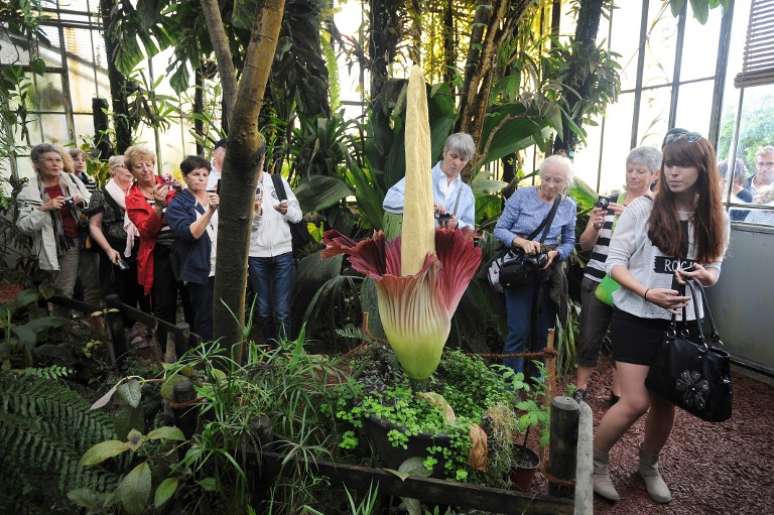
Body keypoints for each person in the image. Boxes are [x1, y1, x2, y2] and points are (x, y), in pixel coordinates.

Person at [592, 128, 729, 504]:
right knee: (635, 401)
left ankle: (648, 466)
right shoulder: (643, 208)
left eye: (683, 164)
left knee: (666, 401)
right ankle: (595, 463)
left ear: (702, 169)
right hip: (636, 316)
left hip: (683, 323)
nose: (673, 171)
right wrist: (648, 291)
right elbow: (614, 264)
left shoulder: (716, 216)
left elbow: (715, 266)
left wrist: (706, 275)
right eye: (669, 163)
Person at [575, 146, 661, 404]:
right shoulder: (610, 200)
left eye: (640, 171)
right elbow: (585, 245)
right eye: (630, 169)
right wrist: (594, 225)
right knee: (589, 336)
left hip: (631, 284)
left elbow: (656, 248)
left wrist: (632, 219)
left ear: (654, 175)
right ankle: (580, 388)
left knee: (624, 341)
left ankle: (618, 392)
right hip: (597, 277)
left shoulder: (656, 209)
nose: (633, 175)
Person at [493, 155, 577, 373]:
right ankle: (510, 384)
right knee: (518, 330)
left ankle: (538, 384)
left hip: (548, 272)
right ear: (540, 176)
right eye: (547, 178)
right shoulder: (522, 196)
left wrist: (556, 254)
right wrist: (521, 242)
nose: (550, 184)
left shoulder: (568, 206)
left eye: (557, 180)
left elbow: (569, 242)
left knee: (545, 331)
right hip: (519, 268)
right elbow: (500, 229)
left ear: (566, 182)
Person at [125, 146, 191, 353]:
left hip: (184, 249)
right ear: (132, 171)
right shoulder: (133, 198)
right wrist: (159, 207)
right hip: (159, 253)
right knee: (164, 306)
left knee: (191, 299)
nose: (145, 169)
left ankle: (197, 348)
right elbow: (146, 231)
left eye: (149, 164)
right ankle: (167, 353)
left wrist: (182, 193)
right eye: (139, 166)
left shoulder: (169, 184)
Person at [16, 144, 90, 314]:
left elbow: (90, 199)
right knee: (58, 291)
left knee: (67, 290)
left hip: (75, 242)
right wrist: (45, 208)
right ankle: (61, 329)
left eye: (58, 160)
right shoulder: (29, 190)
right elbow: (24, 225)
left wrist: (82, 201)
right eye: (49, 160)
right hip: (49, 246)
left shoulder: (71, 180)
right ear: (37, 164)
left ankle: (64, 328)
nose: (55, 164)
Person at [248, 145, 302, 342]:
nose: (257, 164)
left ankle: (285, 352)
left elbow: (298, 217)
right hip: (256, 255)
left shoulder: (278, 182)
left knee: (281, 311)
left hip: (283, 253)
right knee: (263, 310)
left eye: (259, 159)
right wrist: (257, 214)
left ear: (263, 160)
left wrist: (286, 210)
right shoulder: (243, 187)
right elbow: (245, 229)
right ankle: (270, 349)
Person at [166, 156, 220, 341]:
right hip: (199, 269)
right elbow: (192, 233)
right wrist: (210, 211)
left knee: (226, 313)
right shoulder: (177, 204)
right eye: (196, 174)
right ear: (185, 176)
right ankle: (209, 360)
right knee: (204, 316)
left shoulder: (216, 197)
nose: (201, 178)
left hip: (223, 266)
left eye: (205, 174)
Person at [87, 155, 148, 317]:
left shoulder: (138, 191)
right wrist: (108, 250)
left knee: (143, 288)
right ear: (113, 171)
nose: (129, 170)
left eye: (130, 166)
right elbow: (94, 225)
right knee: (121, 291)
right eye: (124, 166)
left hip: (141, 246)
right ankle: (125, 329)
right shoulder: (101, 194)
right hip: (116, 249)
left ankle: (147, 327)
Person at [383, 132, 476, 230]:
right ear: (444, 152)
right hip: (417, 243)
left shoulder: (466, 192)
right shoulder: (421, 178)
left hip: (448, 244)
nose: (457, 163)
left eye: (462, 159)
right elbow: (389, 200)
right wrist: (423, 205)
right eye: (453, 156)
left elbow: (470, 228)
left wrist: (457, 224)